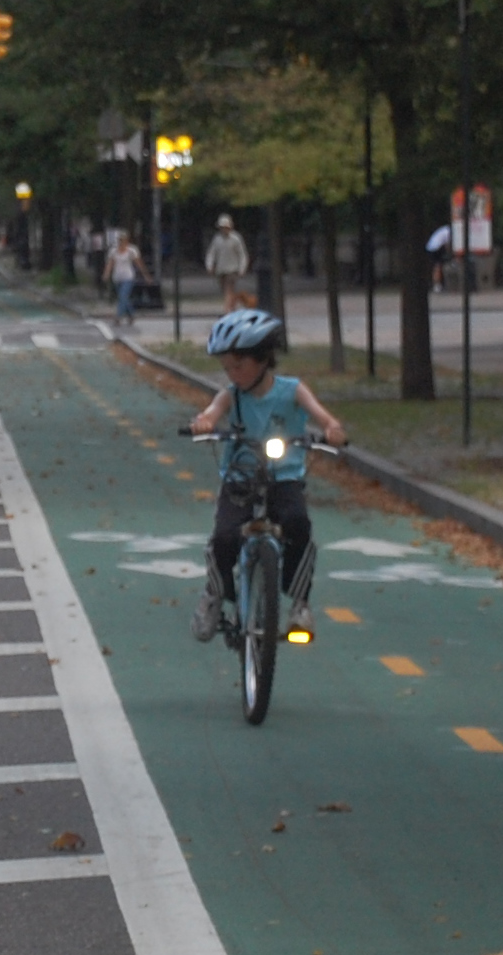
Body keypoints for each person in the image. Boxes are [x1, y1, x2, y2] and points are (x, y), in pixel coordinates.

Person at [189, 309, 347, 642]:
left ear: (263, 359)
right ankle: (215, 594)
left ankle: (299, 603)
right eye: (227, 367)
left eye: (239, 365)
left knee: (297, 524)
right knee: (224, 538)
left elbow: (323, 417)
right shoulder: (230, 395)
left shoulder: (291, 390)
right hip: (240, 478)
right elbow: (212, 413)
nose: (232, 374)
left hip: (283, 477)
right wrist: (204, 422)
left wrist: (332, 429)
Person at [205, 215, 250, 312]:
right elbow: (212, 253)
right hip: (221, 270)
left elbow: (242, 255)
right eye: (222, 227)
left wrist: (242, 268)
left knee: (228, 290)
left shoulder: (236, 239)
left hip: (232, 270)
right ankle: (232, 307)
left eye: (225, 227)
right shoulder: (217, 239)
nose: (224, 229)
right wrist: (210, 265)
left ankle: (227, 310)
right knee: (226, 291)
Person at [103, 231, 148, 326]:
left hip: (128, 277)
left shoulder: (132, 250)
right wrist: (106, 274)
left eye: (123, 240)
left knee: (123, 296)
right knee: (123, 298)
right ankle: (131, 315)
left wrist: (145, 275)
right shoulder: (113, 251)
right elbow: (110, 264)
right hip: (117, 277)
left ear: (127, 241)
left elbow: (139, 263)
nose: (121, 242)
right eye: (120, 240)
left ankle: (118, 317)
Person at [426, 224, 452, 293]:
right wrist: (450, 254)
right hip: (435, 248)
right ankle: (437, 285)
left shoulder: (444, 229)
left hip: (431, 247)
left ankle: (437, 284)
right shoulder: (448, 232)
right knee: (437, 266)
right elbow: (447, 245)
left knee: (436, 266)